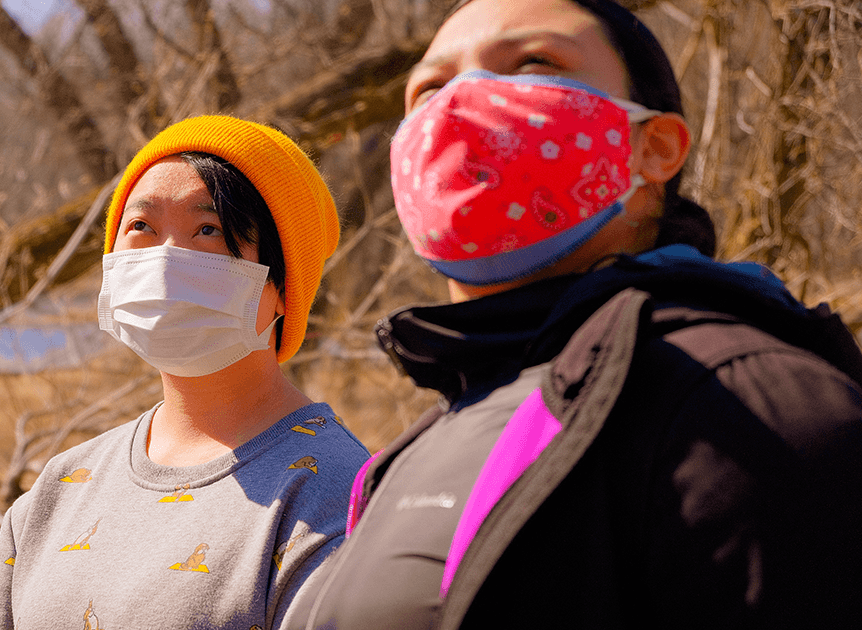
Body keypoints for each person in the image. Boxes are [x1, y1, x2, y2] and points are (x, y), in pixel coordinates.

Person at [287, 0, 862, 628]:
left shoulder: (752, 407)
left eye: (534, 62)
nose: (460, 102)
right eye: (429, 85)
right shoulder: (423, 440)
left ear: (655, 147)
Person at [0, 115, 369, 630]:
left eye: (208, 230)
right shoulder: (62, 485)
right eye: (142, 227)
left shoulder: (334, 495)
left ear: (284, 287)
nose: (167, 259)